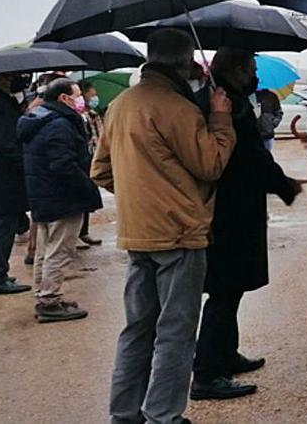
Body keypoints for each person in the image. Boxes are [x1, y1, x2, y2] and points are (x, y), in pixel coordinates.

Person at [93, 29, 236, 424]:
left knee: (137, 330)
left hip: (137, 233)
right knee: (175, 332)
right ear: (183, 60)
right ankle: (163, 416)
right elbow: (211, 164)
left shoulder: (121, 104)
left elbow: (101, 170)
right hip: (179, 233)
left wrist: (144, 192)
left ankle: (124, 414)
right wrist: (221, 117)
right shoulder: (176, 108)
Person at [191, 48, 306, 401]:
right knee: (225, 292)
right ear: (237, 70)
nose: (256, 75)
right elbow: (253, 158)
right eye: (252, 69)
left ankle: (226, 354)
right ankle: (208, 371)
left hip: (231, 209)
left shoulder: (224, 99)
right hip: (231, 213)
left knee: (231, 290)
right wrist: (285, 184)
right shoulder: (231, 106)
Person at [17, 78, 101, 322]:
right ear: (64, 98)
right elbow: (63, 165)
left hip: (44, 195)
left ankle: (43, 294)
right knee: (59, 250)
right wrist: (86, 188)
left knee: (45, 249)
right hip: (62, 197)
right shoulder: (59, 125)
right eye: (77, 95)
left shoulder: (38, 120)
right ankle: (49, 301)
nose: (82, 100)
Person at [0, 72, 32, 296]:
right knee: (2, 225)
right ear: (0, 79)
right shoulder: (1, 106)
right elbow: (6, 146)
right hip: (2, 178)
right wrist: (24, 166)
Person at [77, 79, 103, 247]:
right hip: (82, 159)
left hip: (92, 156)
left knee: (87, 196)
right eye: (91, 94)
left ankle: (83, 232)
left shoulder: (93, 113)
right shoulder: (78, 116)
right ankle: (77, 233)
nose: (94, 98)